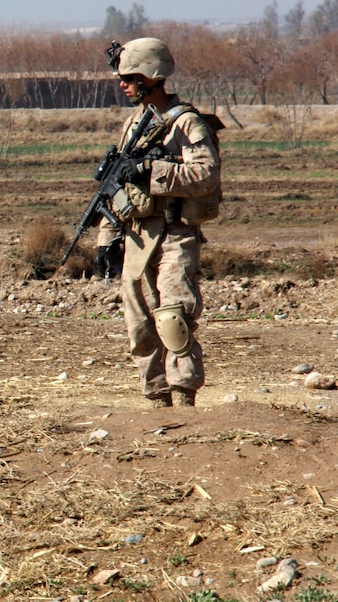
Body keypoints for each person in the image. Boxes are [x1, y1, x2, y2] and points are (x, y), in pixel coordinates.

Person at [96, 37, 222, 407]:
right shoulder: (134, 124)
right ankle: (156, 404)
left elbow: (206, 173)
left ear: (151, 76)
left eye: (129, 77)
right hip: (137, 237)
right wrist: (106, 239)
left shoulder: (185, 122)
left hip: (174, 234)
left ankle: (184, 400)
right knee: (139, 327)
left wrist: (153, 170)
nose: (123, 84)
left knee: (173, 320)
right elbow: (115, 189)